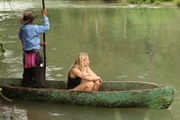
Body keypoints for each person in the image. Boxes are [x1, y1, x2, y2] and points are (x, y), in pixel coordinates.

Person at [18, 9, 50, 88]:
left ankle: (24, 87)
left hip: (26, 55)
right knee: (39, 75)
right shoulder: (34, 28)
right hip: (35, 56)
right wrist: (44, 16)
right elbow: (46, 27)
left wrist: (39, 44)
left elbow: (24, 40)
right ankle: (41, 90)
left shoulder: (22, 29)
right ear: (31, 20)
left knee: (27, 75)